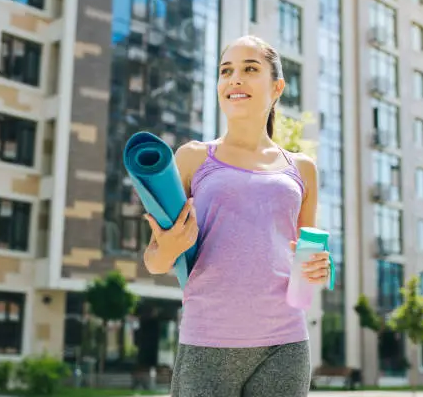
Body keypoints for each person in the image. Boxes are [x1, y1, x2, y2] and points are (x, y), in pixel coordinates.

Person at [142, 35, 332, 397]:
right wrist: (168, 247)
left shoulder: (303, 169)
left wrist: (321, 267)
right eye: (226, 71)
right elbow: (154, 260)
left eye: (249, 69)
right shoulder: (193, 158)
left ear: (276, 88)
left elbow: (307, 258)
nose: (235, 79)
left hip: (285, 343)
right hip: (207, 341)